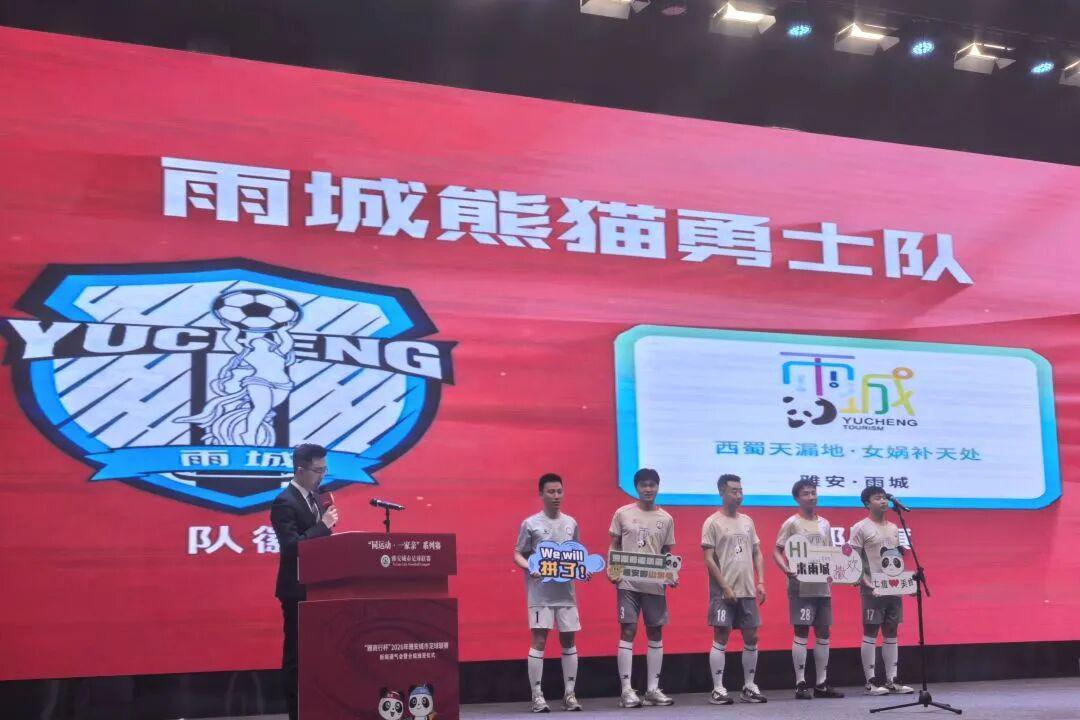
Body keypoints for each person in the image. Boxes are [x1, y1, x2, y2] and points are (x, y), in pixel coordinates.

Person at [270, 443, 340, 720]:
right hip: (297, 590)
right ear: (300, 470)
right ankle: (296, 713)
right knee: (297, 657)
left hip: (320, 588)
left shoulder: (317, 499)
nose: (322, 476)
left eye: (325, 470)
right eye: (318, 470)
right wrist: (322, 526)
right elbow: (291, 547)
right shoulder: (284, 502)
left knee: (320, 655)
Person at [513, 473, 584, 713]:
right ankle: (537, 696)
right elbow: (518, 553)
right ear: (541, 494)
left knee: (569, 640)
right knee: (539, 640)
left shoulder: (571, 523)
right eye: (551, 492)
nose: (556, 496)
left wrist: (582, 568)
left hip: (566, 595)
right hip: (540, 594)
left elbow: (577, 554)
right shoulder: (530, 523)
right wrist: (529, 566)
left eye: (559, 491)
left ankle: (569, 695)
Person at [608, 468, 676, 708]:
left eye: (652, 485)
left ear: (658, 487)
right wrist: (613, 567)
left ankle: (652, 690)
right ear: (636, 487)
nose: (648, 489)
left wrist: (671, 573)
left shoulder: (666, 518)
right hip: (628, 583)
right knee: (628, 630)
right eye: (644, 485)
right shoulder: (623, 513)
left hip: (654, 584)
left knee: (655, 632)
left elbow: (666, 553)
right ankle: (626, 690)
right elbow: (614, 544)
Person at [773, 479, 844, 700]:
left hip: (822, 586)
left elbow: (829, 552)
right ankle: (800, 683)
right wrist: (787, 569)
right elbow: (776, 551)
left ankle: (821, 684)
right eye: (806, 493)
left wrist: (835, 571)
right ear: (797, 498)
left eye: (814, 492)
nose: (811, 497)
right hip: (800, 586)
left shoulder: (825, 523)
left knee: (824, 632)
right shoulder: (791, 523)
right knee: (801, 631)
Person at [702, 474, 767, 705]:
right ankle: (718, 688)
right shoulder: (712, 522)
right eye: (733, 491)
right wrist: (725, 586)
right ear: (722, 492)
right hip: (723, 591)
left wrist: (761, 582)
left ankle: (749, 686)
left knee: (752, 636)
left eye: (740, 491)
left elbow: (757, 552)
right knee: (721, 635)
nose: (739, 495)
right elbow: (708, 559)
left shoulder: (748, 521)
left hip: (747, 589)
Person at [849, 486, 914, 696]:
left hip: (892, 587)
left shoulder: (894, 528)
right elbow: (852, 558)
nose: (883, 501)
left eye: (885, 497)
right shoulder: (860, 527)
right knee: (871, 631)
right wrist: (864, 581)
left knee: (891, 631)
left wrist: (906, 584)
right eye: (878, 498)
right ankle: (870, 682)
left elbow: (896, 559)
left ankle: (892, 679)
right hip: (872, 588)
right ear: (867, 504)